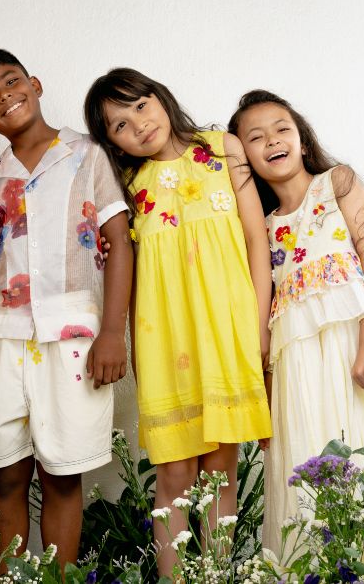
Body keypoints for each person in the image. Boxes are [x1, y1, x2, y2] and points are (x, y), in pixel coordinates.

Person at [84, 68, 272, 577]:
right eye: (120, 125)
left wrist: (257, 327)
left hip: (226, 330)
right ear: (113, 144)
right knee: (174, 471)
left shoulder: (223, 148)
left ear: (160, 98)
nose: (139, 125)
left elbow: (257, 240)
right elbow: (131, 274)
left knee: (220, 471)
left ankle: (215, 573)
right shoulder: (127, 184)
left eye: (141, 106)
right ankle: (173, 577)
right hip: (163, 339)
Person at [229, 89, 364, 555]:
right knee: (310, 468)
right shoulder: (262, 226)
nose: (272, 141)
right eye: (255, 137)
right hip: (299, 368)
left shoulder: (336, 183)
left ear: (301, 137)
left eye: (282, 129)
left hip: (353, 350)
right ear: (244, 156)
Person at [0, 49, 134, 570]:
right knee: (6, 474)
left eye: (12, 82)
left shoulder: (86, 155)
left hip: (74, 333)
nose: (5, 96)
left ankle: (62, 580)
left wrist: (112, 333)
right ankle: (5, 579)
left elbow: (119, 243)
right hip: (4, 336)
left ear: (34, 84)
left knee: (62, 473)